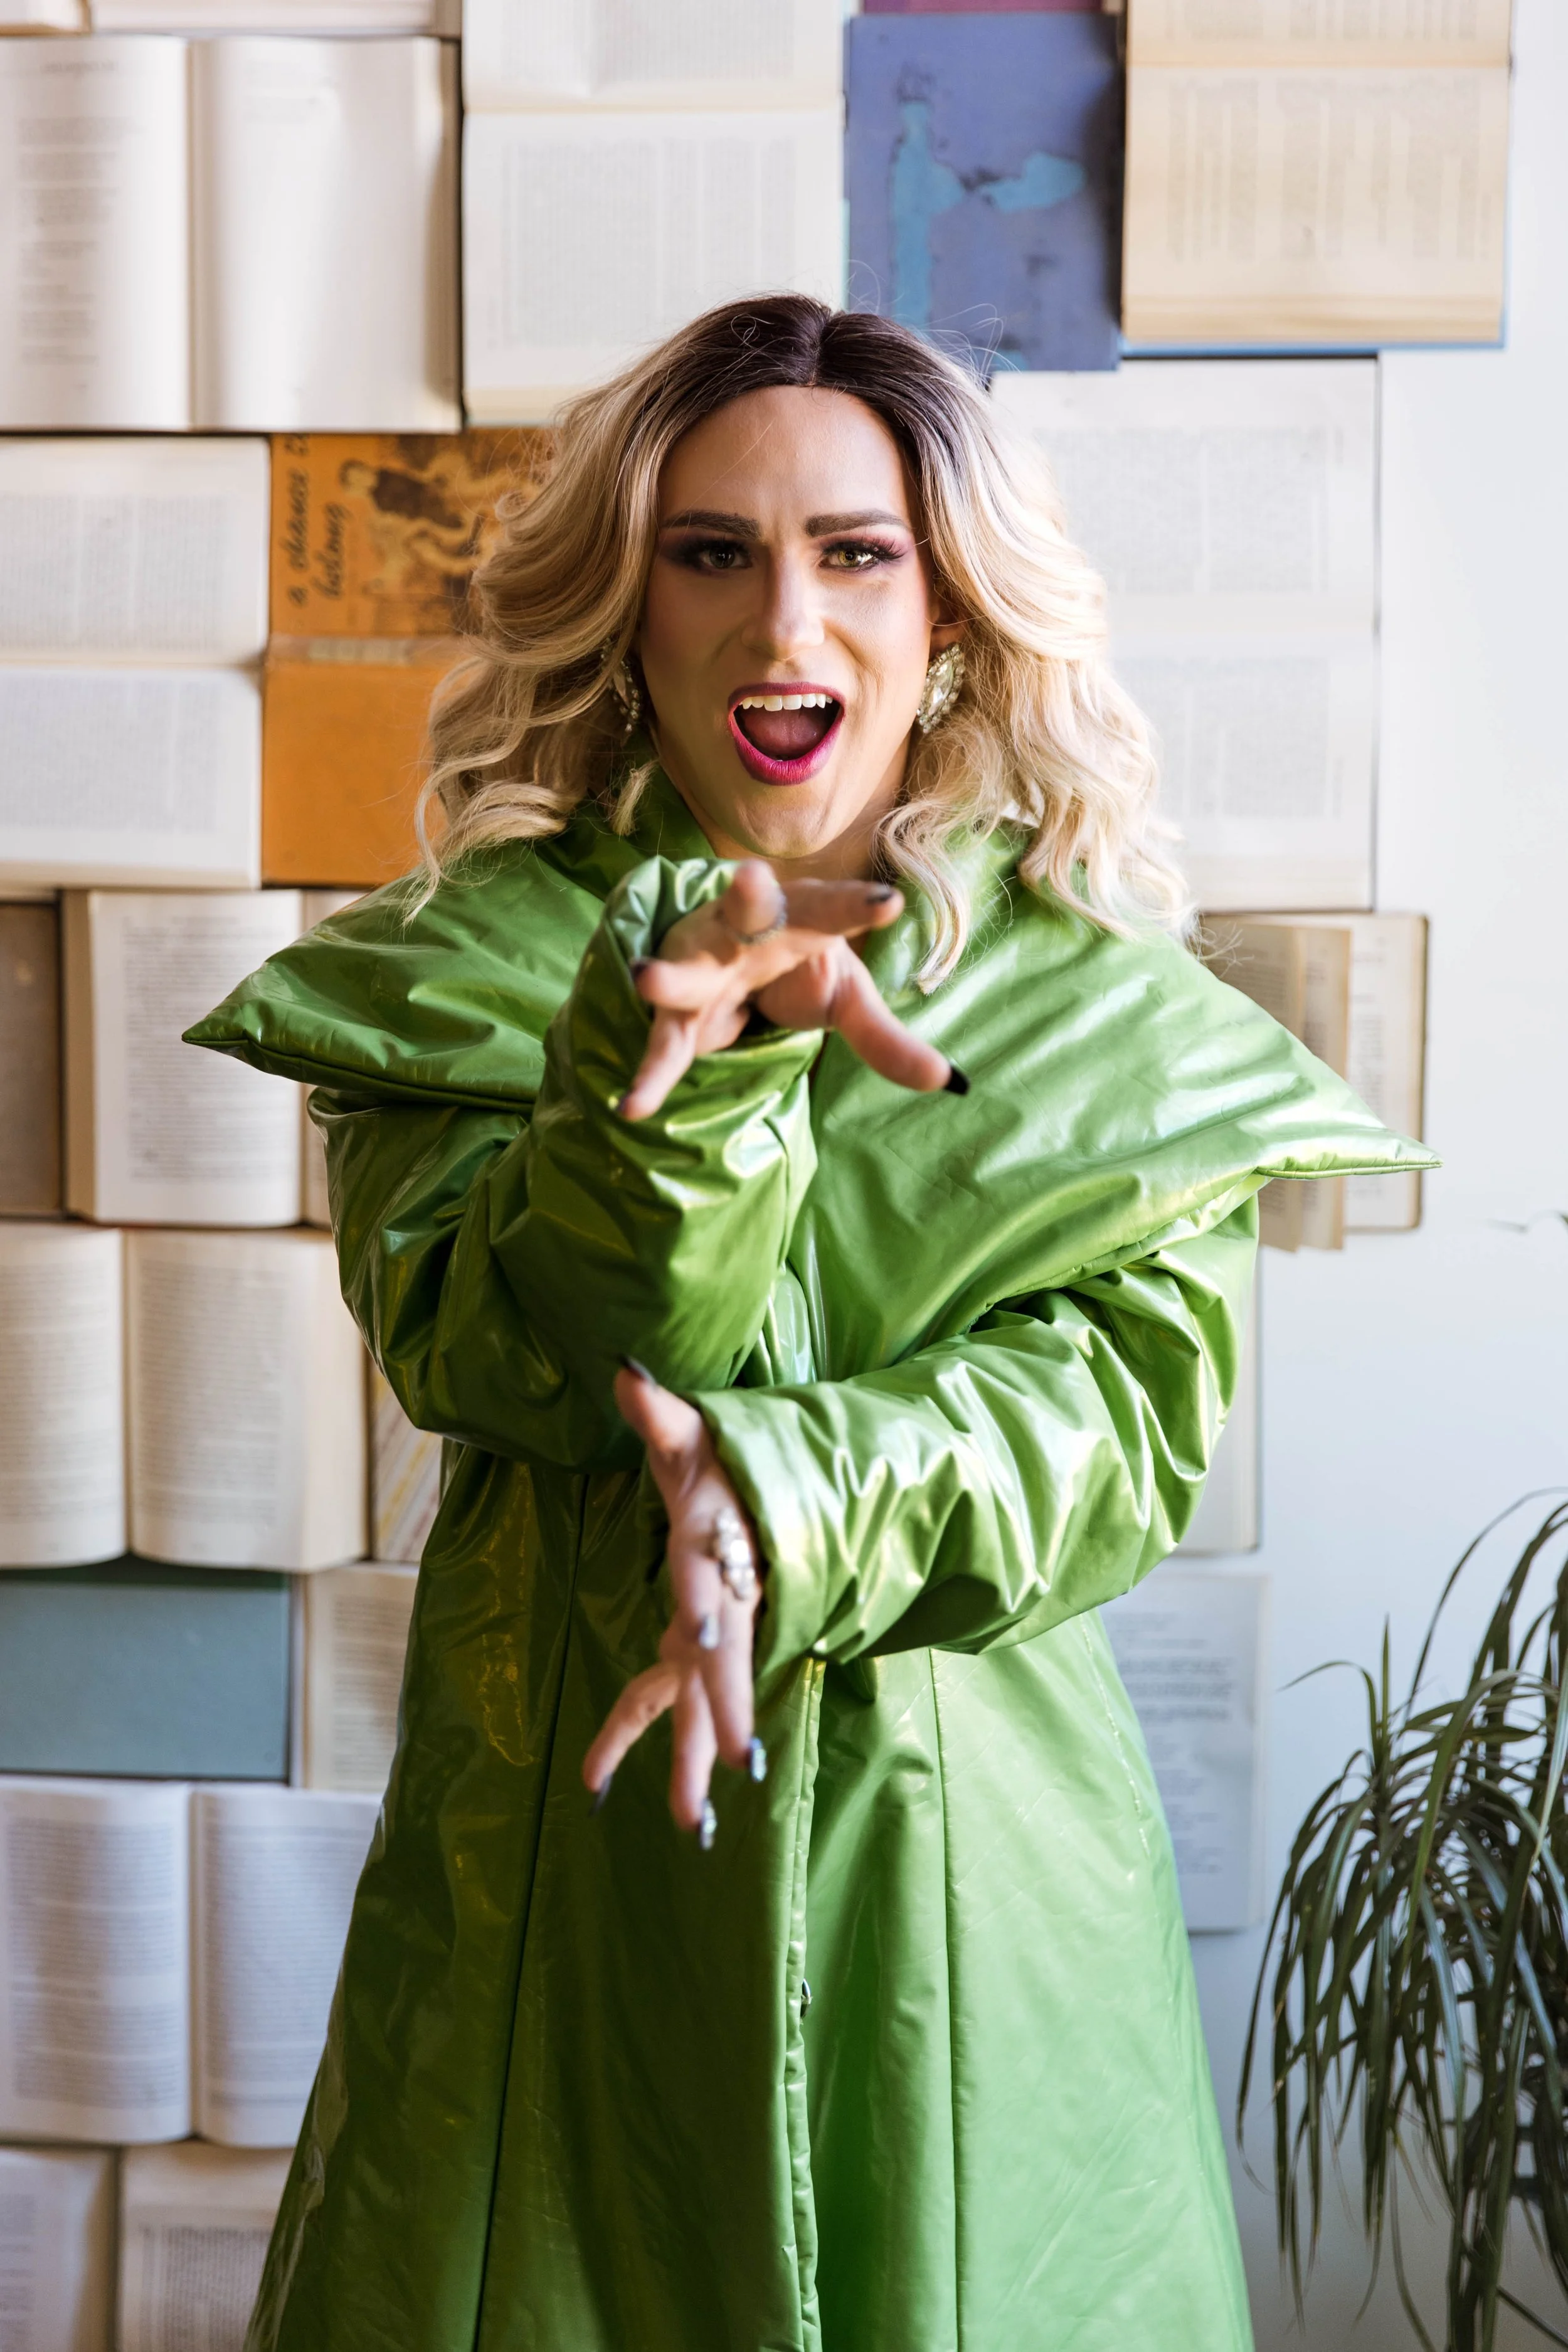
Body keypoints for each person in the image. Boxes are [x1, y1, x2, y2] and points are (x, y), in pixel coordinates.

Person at [189, 295, 1431, 2352]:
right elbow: (496, 1352)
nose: (788, 621)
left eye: (854, 552)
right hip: (553, 1897)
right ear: (626, 605)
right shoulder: (461, 981)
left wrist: (778, 1484)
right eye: (711, 551)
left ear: (949, 607)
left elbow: (1108, 1439)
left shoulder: (1110, 1030)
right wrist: (661, 1073)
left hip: (969, 1902)